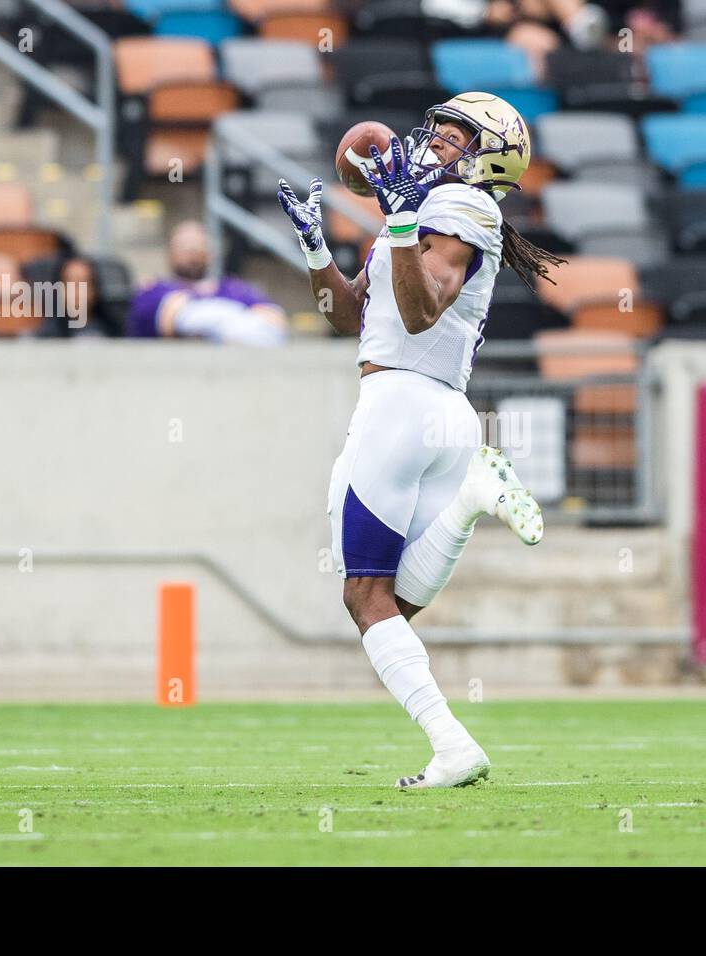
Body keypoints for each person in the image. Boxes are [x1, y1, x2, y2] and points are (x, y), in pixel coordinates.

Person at [277, 92, 564, 789]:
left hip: (401, 405)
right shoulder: (432, 210)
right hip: (440, 416)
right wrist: (317, 247)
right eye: (434, 127)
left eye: (452, 133)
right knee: (391, 606)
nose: (431, 138)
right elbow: (351, 316)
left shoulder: (461, 207)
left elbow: (420, 312)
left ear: (487, 151)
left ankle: (453, 746)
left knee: (364, 597)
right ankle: (469, 501)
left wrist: (402, 216)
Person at [126, 220, 288, 346]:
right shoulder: (153, 290)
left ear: (211, 254)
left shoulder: (232, 287)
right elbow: (174, 320)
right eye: (184, 246)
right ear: (169, 253)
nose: (192, 253)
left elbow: (275, 320)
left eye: (198, 246)